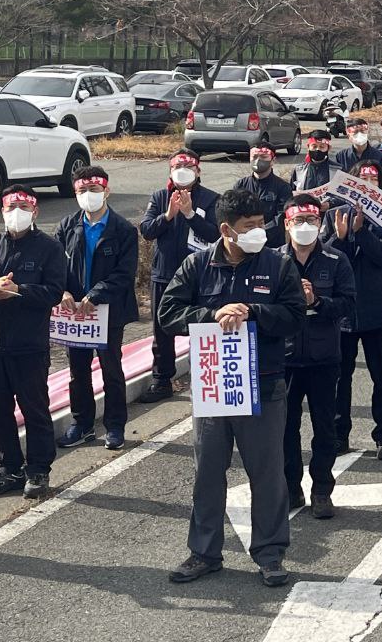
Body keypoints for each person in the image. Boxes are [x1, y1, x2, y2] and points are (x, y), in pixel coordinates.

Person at [160, 189, 306, 587]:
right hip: (213, 384)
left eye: (262, 224)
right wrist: (211, 314)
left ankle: (271, 553)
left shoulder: (278, 266)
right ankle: (204, 553)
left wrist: (253, 312)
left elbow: (295, 316)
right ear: (226, 230)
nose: (259, 232)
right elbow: (167, 312)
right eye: (249, 227)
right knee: (207, 471)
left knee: (267, 473)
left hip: (264, 384)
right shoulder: (197, 264)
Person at [280, 195, 357, 519]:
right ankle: (291, 488)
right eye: (299, 221)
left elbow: (348, 304)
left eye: (311, 221)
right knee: (285, 428)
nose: (305, 227)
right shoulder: (274, 261)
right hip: (284, 360)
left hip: (324, 358)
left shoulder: (335, 259)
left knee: (325, 428)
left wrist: (316, 303)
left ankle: (322, 490)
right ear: (287, 224)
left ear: (320, 223)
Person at [55, 167, 139, 451]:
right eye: (82, 191)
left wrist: (96, 294)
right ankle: (82, 424)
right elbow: (55, 268)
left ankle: (115, 427)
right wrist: (63, 291)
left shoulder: (123, 229)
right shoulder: (66, 226)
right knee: (78, 371)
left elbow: (125, 273)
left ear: (107, 191)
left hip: (108, 312)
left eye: (94, 190)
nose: (88, 196)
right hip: (76, 313)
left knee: (111, 369)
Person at [325, 161, 382, 460]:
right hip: (343, 312)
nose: (367, 183)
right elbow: (326, 256)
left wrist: (362, 233)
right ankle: (339, 434)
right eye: (362, 178)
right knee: (340, 377)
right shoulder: (334, 213)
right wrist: (340, 238)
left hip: (378, 309)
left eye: (373, 178)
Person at [0, 186, 68, 497]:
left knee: (35, 409)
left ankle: (38, 470)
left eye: (23, 207)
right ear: (2, 211)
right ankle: (9, 467)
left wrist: (16, 290)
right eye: (10, 207)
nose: (16, 213)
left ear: (35, 211)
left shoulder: (50, 248)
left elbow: (53, 292)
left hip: (29, 346)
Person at [138, 151, 221, 402]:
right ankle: (162, 380)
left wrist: (190, 215)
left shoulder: (210, 199)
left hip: (199, 276)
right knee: (162, 330)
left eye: (188, 165)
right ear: (170, 170)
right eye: (177, 165)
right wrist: (168, 215)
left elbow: (215, 234)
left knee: (201, 326)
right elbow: (147, 231)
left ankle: (204, 378)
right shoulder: (160, 197)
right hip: (164, 274)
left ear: (198, 171)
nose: (182, 169)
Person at [234, 145, 293, 248]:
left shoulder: (283, 187)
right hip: (245, 241)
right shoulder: (240, 185)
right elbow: (232, 212)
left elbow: (282, 216)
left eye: (263, 157)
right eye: (255, 156)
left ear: (273, 160)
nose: (258, 160)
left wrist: (260, 231)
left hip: (272, 244)